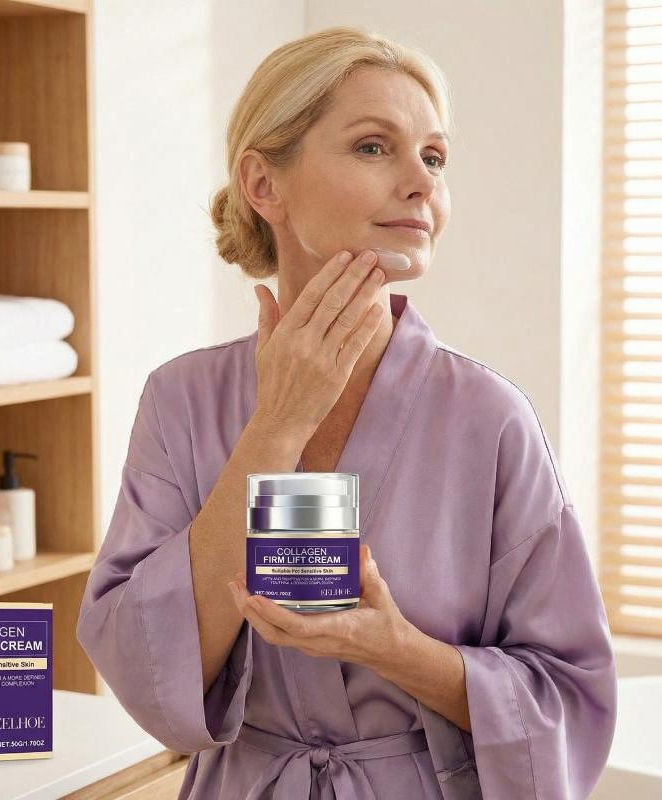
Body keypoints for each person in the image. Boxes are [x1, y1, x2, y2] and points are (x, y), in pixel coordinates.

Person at [76, 25, 617, 799]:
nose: (422, 182)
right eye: (373, 147)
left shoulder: (490, 418)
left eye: (435, 157)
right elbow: (140, 665)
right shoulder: (182, 401)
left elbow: (570, 701)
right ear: (264, 185)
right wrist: (275, 428)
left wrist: (398, 650)